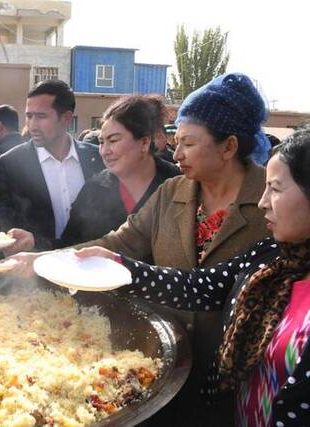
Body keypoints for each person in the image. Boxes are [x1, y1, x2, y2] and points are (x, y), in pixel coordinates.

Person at [9, 72, 273, 426]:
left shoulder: (271, 202)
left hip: (237, 372)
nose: (176, 154)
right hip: (171, 357)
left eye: (189, 144)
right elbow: (120, 242)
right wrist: (44, 259)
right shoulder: (173, 193)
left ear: (228, 147)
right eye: (175, 142)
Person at [76, 126, 310, 427]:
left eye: (276, 189)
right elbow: (201, 286)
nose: (263, 201)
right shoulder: (273, 255)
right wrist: (122, 267)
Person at [0, 80, 105, 251]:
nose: (32, 125)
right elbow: (8, 221)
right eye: (29, 116)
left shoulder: (97, 157)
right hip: (35, 267)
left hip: (92, 265)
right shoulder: (11, 163)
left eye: (41, 117)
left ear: (66, 118)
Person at [61, 95, 181, 246]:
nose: (104, 151)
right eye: (101, 142)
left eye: (113, 141)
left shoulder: (178, 186)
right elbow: (67, 247)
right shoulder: (93, 189)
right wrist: (34, 244)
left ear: (144, 142)